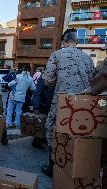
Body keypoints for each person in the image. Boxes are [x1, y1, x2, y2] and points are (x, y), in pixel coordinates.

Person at [41, 29, 95, 177]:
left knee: (54, 130)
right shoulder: (87, 58)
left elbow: (48, 80)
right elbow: (94, 82)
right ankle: (77, 165)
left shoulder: (57, 55)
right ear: (77, 41)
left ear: (63, 42)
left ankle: (53, 168)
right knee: (78, 133)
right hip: (83, 103)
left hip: (62, 102)